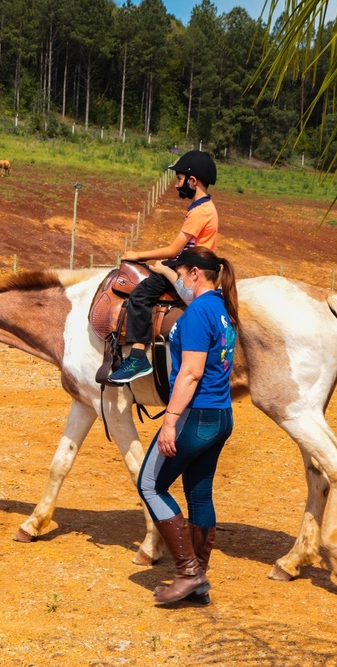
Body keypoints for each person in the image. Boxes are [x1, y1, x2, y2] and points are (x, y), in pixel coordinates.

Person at [136, 246, 239, 605]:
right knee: (199, 495)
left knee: (150, 485)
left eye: (179, 273)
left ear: (195, 273)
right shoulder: (221, 308)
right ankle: (198, 580)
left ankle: (188, 572)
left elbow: (192, 373)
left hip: (195, 416)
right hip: (220, 415)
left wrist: (170, 421)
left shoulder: (197, 313)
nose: (177, 279)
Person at [107, 150, 219, 384]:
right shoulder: (205, 207)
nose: (177, 185)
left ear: (193, 181)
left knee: (140, 294)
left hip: (188, 266)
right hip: (191, 262)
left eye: (179, 179)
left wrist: (139, 255)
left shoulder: (200, 212)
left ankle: (138, 356)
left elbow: (173, 249)